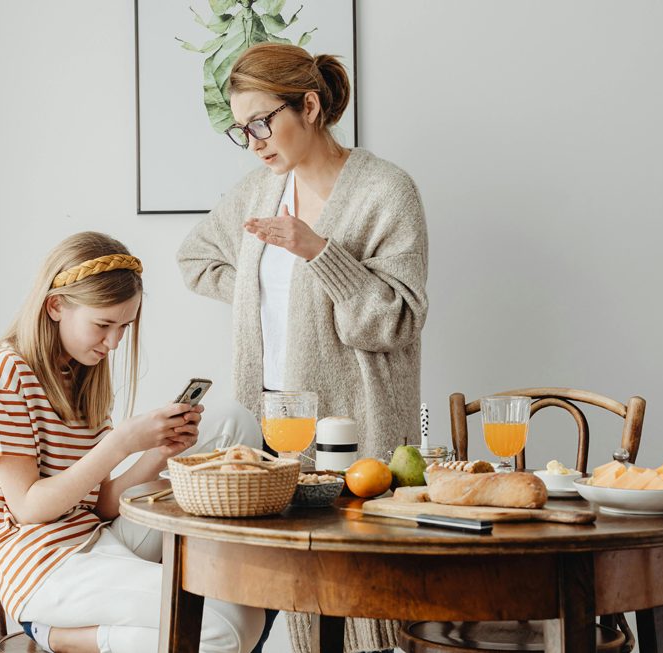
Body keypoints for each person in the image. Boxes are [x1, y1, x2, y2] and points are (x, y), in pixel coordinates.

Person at [177, 43, 429, 653]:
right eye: (243, 130)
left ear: (309, 106)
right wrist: (257, 290)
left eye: (263, 122)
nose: (255, 140)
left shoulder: (386, 191)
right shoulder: (259, 192)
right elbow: (194, 257)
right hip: (269, 426)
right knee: (284, 595)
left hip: (357, 426)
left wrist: (320, 252)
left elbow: (396, 322)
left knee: (362, 600)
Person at [0, 231, 265, 653]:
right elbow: (29, 508)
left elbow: (99, 503)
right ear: (55, 306)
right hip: (42, 565)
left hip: (96, 535)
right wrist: (122, 443)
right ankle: (60, 635)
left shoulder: (83, 372)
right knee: (225, 627)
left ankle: (215, 572)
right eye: (103, 325)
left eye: (124, 326)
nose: (115, 342)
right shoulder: (7, 371)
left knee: (232, 421)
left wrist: (160, 452)